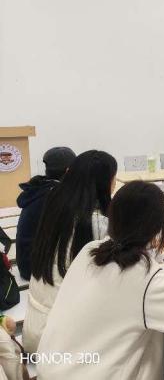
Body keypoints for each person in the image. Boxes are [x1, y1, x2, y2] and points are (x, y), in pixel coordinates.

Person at [36, 181, 164, 379]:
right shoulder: (147, 279)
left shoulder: (90, 251)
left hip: (51, 368)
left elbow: (125, 283)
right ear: (158, 227)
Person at [23, 150, 117, 353]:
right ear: (104, 183)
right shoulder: (97, 224)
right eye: (113, 178)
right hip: (62, 345)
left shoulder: (55, 205)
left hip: (34, 330)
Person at [15, 147, 76, 281]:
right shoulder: (55, 195)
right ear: (68, 171)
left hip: (26, 261)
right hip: (36, 269)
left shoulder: (42, 187)